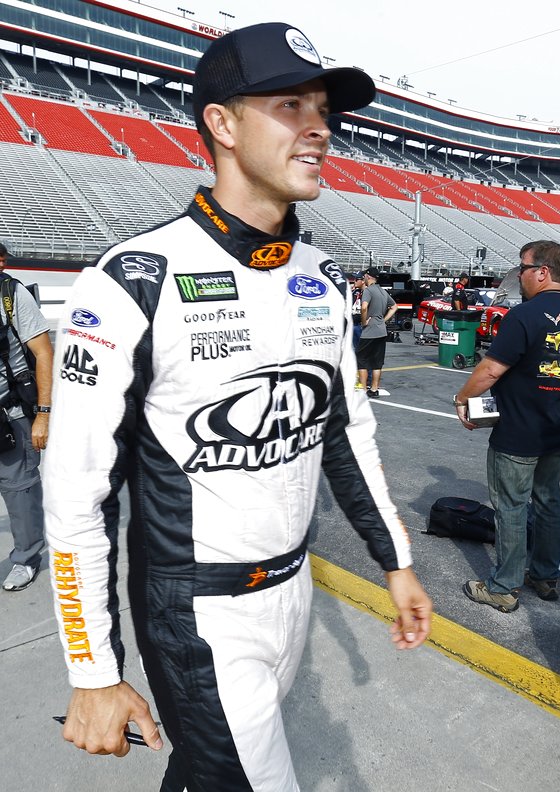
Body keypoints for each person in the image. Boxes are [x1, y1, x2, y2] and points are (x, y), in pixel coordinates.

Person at [43, 23, 431, 791]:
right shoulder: (134, 279)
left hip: (294, 591)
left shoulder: (320, 276)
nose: (322, 128)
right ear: (221, 124)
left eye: (325, 109)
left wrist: (397, 562)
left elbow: (347, 433)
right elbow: (76, 493)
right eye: (292, 105)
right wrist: (92, 669)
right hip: (201, 615)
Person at [454, 241, 560, 612]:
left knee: (511, 507)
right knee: (548, 503)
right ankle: (545, 575)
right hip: (556, 428)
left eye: (523, 269)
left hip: (518, 431)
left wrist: (461, 399)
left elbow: (490, 370)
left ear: (543, 272)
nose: (520, 276)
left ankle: (503, 586)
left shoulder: (524, 315)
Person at [0, 242, 53, 592]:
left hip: (10, 413)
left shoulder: (12, 295)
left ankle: (27, 556)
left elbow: (43, 353)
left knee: (19, 491)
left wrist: (43, 415)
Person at [357, 265, 398, 398]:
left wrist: (364, 322)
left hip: (370, 330)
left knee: (362, 360)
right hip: (381, 330)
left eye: (364, 276)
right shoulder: (382, 291)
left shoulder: (368, 291)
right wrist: (384, 320)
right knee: (377, 362)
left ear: (368, 276)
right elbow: (394, 307)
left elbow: (364, 308)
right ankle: (374, 389)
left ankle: (363, 389)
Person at [349, 271, 365, 351]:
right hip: (353, 323)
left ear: (363, 280)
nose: (354, 281)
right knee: (355, 350)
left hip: (362, 325)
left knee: (364, 350)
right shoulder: (355, 292)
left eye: (356, 279)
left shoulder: (369, 292)